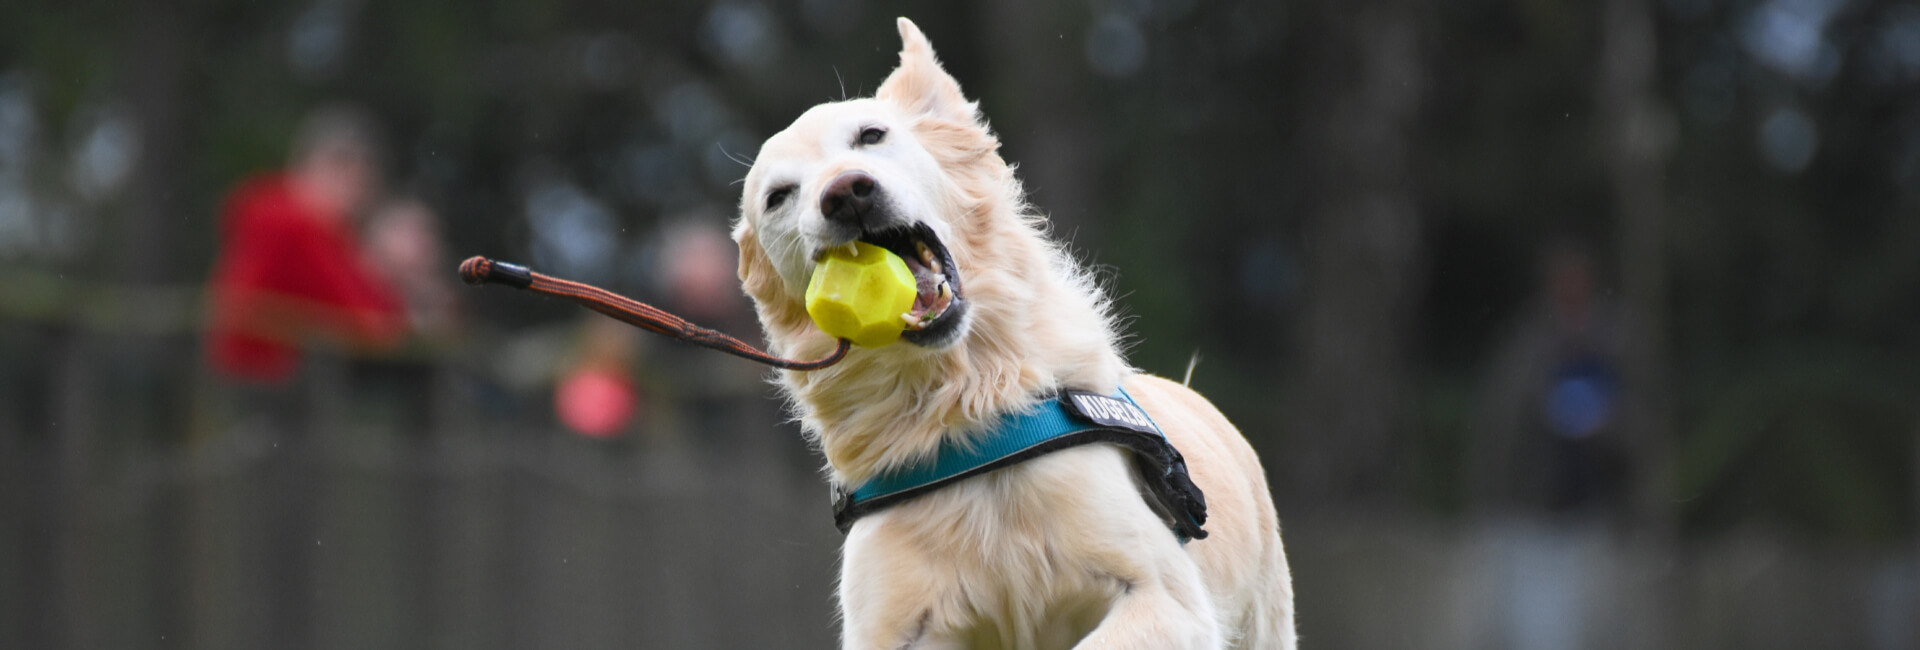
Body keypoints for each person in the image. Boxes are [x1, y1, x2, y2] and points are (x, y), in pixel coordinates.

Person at [204, 105, 405, 384]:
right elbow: (376, 326)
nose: (360, 196)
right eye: (357, 181)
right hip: (263, 384)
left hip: (250, 378)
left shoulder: (268, 209)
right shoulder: (295, 223)